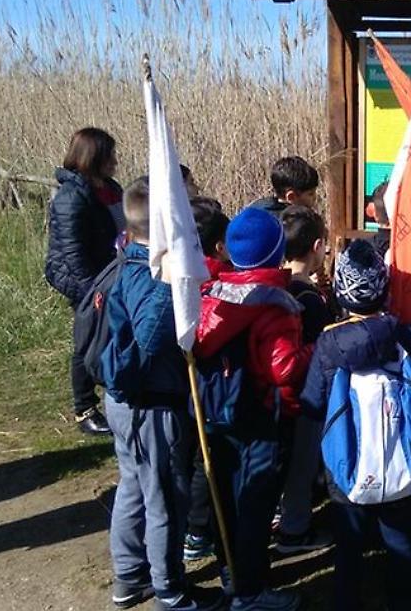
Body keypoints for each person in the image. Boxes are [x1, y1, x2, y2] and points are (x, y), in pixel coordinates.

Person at [99, 181, 223, 611]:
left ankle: (129, 577)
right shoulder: (155, 278)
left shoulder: (128, 260)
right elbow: (151, 339)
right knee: (165, 498)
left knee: (133, 486)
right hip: (150, 403)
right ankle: (170, 591)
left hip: (124, 400)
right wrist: (177, 300)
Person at [193, 207, 312, 611]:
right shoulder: (273, 303)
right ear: (277, 254)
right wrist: (314, 349)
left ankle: (231, 570)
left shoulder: (213, 293)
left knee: (225, 495)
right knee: (257, 502)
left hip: (219, 413)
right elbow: (284, 369)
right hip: (260, 415)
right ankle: (251, 591)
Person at [300, 239, 411, 611]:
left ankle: (346, 601)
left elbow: (312, 403)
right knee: (399, 538)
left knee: (350, 544)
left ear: (341, 289)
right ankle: (403, 601)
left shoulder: (328, 343)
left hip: (345, 463)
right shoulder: (404, 335)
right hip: (400, 458)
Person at [44, 127, 125, 436]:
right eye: (110, 155)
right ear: (95, 157)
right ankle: (84, 408)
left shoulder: (110, 188)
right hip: (84, 278)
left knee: (108, 336)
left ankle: (112, 393)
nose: (115, 160)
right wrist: (91, 291)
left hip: (109, 274)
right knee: (86, 339)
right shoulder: (71, 197)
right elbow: (71, 252)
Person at [273, 205, 335, 554]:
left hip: (277, 395)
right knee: (302, 462)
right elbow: (322, 349)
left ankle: (280, 514)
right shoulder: (308, 298)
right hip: (306, 396)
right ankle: (294, 531)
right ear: (316, 247)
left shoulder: (275, 288)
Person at [182, 197, 231, 563]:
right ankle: (199, 531)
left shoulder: (193, 273)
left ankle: (197, 527)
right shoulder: (212, 283)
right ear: (218, 245)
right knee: (206, 459)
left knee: (200, 458)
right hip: (210, 388)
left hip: (199, 386)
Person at [248, 156, 319, 218]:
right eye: (311, 194)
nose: (315, 197)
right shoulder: (291, 224)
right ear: (291, 197)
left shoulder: (258, 207)